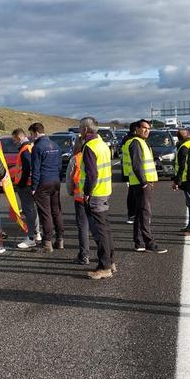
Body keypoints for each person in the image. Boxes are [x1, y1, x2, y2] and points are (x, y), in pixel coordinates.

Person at [78, 117, 116, 279]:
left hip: (94, 194)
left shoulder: (89, 146)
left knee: (99, 231)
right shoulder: (102, 144)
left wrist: (86, 192)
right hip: (104, 190)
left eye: (80, 128)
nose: (80, 131)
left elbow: (92, 174)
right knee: (105, 229)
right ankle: (110, 261)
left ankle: (105, 266)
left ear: (85, 129)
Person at [122, 119, 167, 253]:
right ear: (137, 128)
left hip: (141, 183)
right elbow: (137, 164)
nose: (147, 130)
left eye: (149, 128)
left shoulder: (141, 142)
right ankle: (149, 243)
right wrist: (144, 182)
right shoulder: (136, 142)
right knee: (145, 213)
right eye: (144, 128)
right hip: (141, 183)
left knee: (140, 213)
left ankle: (139, 242)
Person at [29, 122, 64, 252]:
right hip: (55, 181)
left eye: (31, 134)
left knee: (46, 213)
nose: (30, 137)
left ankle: (47, 243)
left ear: (36, 133)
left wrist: (33, 186)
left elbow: (36, 169)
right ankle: (60, 239)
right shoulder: (55, 145)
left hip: (43, 182)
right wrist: (58, 179)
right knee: (56, 210)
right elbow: (60, 166)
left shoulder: (37, 147)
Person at [11, 128, 41, 249]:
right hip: (31, 184)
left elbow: (27, 169)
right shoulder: (29, 147)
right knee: (33, 210)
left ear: (18, 138)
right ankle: (37, 234)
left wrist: (21, 184)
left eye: (14, 139)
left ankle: (31, 237)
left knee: (28, 211)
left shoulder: (25, 150)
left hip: (26, 185)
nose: (14, 142)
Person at [66, 137, 90, 265]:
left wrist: (70, 192)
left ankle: (84, 255)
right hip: (97, 196)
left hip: (80, 197)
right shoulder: (96, 155)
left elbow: (69, 179)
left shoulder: (75, 159)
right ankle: (107, 256)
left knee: (83, 227)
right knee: (100, 228)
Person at [172, 129, 190, 236]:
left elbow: (182, 166)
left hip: (187, 180)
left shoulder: (183, 148)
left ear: (178, 138)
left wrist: (176, 181)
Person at [120, 121, 139, 224]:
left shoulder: (125, 139)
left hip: (128, 172)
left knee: (132, 195)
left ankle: (132, 215)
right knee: (136, 196)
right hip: (134, 172)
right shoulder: (133, 140)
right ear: (136, 129)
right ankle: (134, 215)